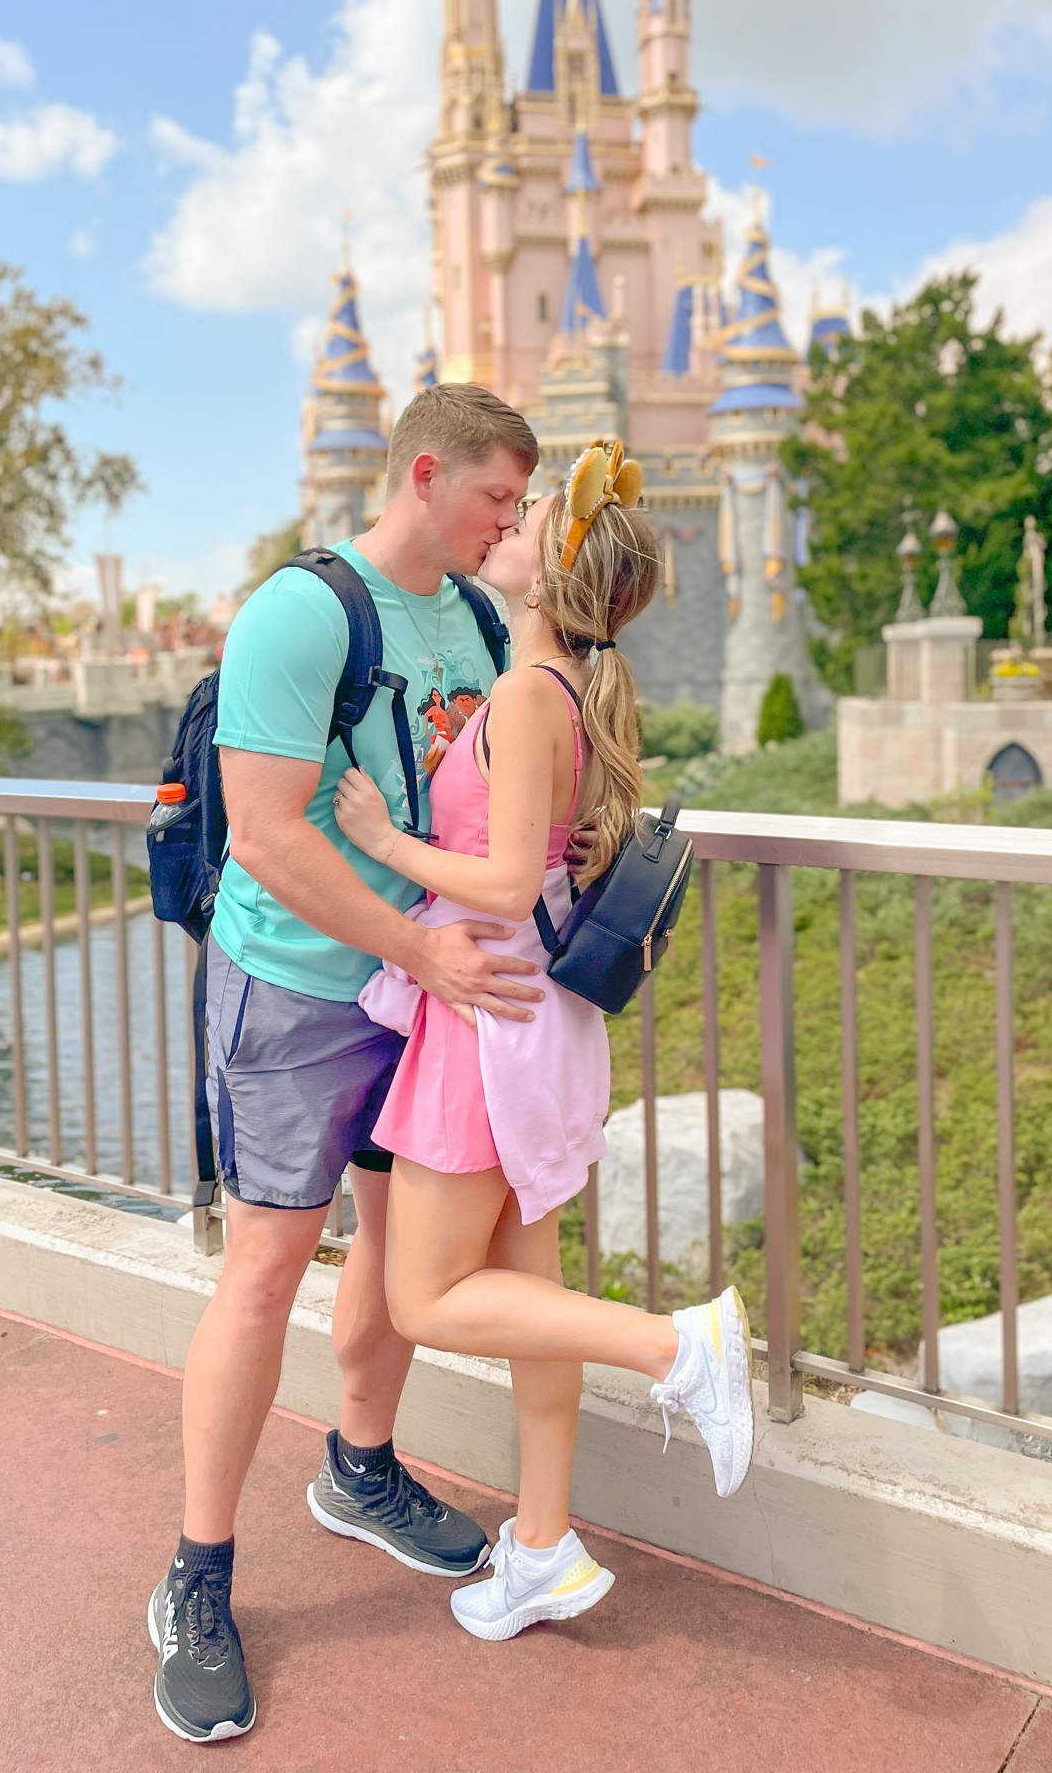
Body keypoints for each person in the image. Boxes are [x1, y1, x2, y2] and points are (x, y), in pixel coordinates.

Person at [149, 383, 550, 1745]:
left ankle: (361, 1468)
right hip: (300, 987)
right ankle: (198, 1576)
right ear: (425, 473)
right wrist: (422, 953)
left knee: (393, 1245)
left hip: (419, 986)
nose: (509, 523)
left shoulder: (481, 617)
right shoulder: (301, 611)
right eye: (496, 496)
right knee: (265, 1271)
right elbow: (266, 832)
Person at [335, 443, 754, 1647]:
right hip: (524, 1019)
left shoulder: (528, 695)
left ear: (543, 575)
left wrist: (386, 834)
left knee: (425, 1293)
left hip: (482, 1021)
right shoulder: (558, 691)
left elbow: (508, 876)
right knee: (528, 1293)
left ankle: (679, 1343)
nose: (505, 525)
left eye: (524, 521)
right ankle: (542, 1545)